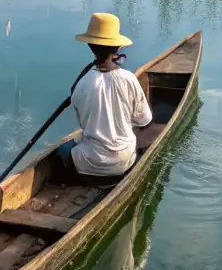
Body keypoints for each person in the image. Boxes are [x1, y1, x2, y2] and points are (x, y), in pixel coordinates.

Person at [53, 12, 153, 181]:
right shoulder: (129, 78)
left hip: (90, 161)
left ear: (90, 46)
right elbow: (144, 120)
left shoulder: (81, 84)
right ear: (118, 48)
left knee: (60, 153)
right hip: (125, 159)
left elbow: (83, 124)